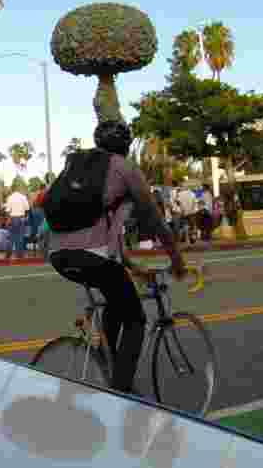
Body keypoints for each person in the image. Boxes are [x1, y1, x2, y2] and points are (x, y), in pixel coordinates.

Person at [47, 120, 186, 395]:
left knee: (115, 300)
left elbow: (102, 230)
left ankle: (106, 365)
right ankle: (121, 393)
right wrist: (177, 259)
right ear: (127, 145)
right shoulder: (125, 169)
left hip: (58, 255)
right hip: (94, 258)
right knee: (135, 319)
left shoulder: (78, 167)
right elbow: (155, 220)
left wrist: (133, 267)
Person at [4, 187, 31, 260]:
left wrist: (8, 219)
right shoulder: (23, 197)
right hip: (21, 218)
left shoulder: (10, 197)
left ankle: (8, 255)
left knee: (11, 237)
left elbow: (7, 210)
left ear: (12, 190)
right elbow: (27, 209)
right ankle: (20, 255)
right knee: (20, 237)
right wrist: (26, 218)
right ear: (19, 190)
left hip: (12, 218)